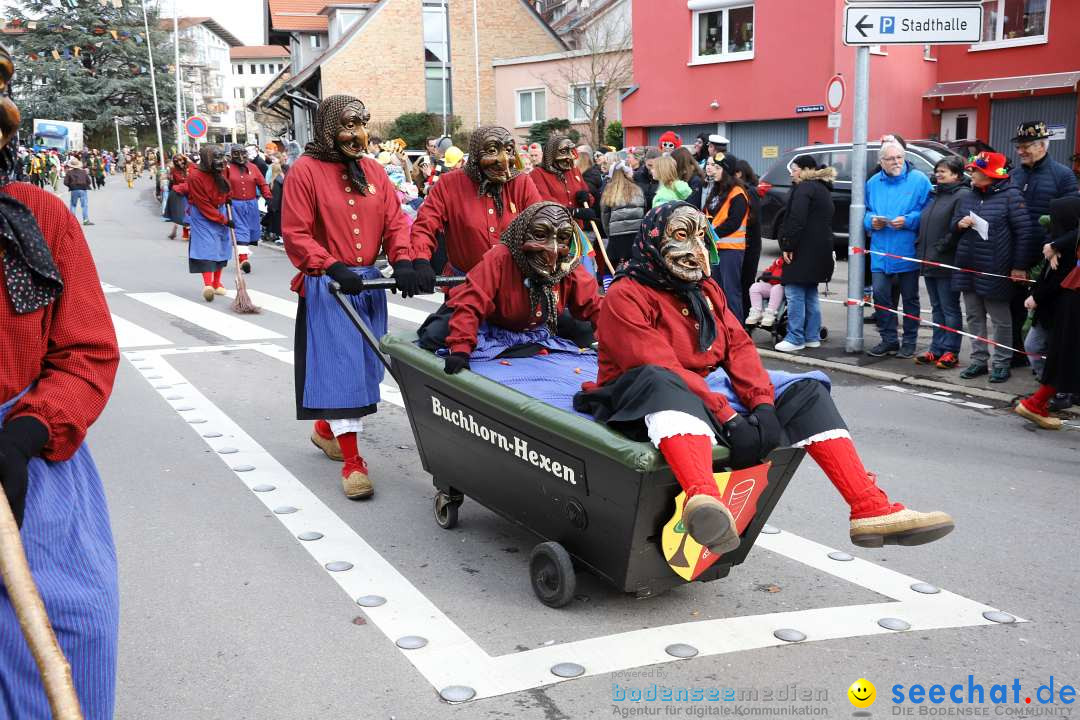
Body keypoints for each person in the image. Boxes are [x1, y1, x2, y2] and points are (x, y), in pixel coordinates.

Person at [573, 202, 954, 552]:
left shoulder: (704, 288)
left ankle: (870, 506)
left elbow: (737, 346)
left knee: (806, 389)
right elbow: (656, 363)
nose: (695, 249)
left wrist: (763, 404)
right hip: (641, 393)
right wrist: (728, 416)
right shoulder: (627, 294)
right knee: (662, 380)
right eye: (680, 236)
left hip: (701, 386)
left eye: (700, 236)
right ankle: (702, 500)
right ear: (655, 240)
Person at [0, 45, 120, 719]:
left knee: (78, 621)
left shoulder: (42, 219)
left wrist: (28, 430)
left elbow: (88, 350)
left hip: (31, 457)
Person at [283, 95, 415, 500]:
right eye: (348, 125)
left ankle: (325, 430)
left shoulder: (374, 170)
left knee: (367, 370)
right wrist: (329, 264)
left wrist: (406, 260)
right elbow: (295, 231)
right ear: (327, 129)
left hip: (369, 284)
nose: (358, 134)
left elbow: (396, 222)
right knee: (342, 372)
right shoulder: (304, 171)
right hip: (330, 285)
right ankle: (355, 463)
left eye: (362, 124)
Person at [412, 126, 543, 345]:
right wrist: (419, 260)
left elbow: (541, 225)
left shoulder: (521, 183)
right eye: (492, 151)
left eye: (509, 151)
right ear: (475, 155)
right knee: (437, 337)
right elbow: (425, 226)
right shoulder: (449, 184)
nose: (503, 160)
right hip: (465, 289)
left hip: (513, 291)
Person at [440, 202, 603, 372]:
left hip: (539, 328)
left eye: (562, 238)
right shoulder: (500, 258)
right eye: (540, 235)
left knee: (582, 330)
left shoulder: (567, 265)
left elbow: (595, 304)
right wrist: (460, 349)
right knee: (441, 331)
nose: (553, 249)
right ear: (523, 234)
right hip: (493, 327)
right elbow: (471, 302)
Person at [950, 151, 1036, 383]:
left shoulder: (1011, 196)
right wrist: (959, 224)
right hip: (968, 265)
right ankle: (979, 360)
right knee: (974, 316)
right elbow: (953, 225)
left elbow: (1024, 233)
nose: (971, 174)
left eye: (975, 171)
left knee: (1000, 319)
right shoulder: (968, 195)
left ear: (989, 175)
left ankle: (1001, 363)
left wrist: (1018, 266)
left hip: (995, 267)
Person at [1008, 121, 1079, 377]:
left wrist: (1057, 246)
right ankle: (1017, 355)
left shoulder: (1062, 175)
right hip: (1016, 252)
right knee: (1014, 307)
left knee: (1044, 312)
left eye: (1025, 146)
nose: (1020, 151)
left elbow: (1073, 219)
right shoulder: (1015, 174)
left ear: (1041, 145)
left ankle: (1047, 363)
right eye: (1019, 147)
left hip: (1048, 256)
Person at [1015, 195, 1080, 429]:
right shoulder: (1064, 245)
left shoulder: (1062, 244)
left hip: (1068, 303)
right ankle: (1036, 403)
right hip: (1070, 303)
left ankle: (1037, 403)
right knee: (1064, 355)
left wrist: (1056, 245)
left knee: (1064, 355)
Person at [863, 141, 931, 358]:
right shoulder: (873, 183)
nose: (896, 162)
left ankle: (909, 342)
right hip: (880, 251)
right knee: (881, 297)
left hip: (907, 250)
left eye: (899, 157)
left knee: (910, 299)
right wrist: (870, 221)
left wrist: (909, 220)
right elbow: (866, 210)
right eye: (891, 159)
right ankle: (889, 340)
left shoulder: (920, 180)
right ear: (881, 162)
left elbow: (929, 211)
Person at [913, 156, 970, 369]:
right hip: (929, 259)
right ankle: (936, 348)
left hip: (946, 259)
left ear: (956, 174)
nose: (938, 174)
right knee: (937, 307)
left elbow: (956, 229)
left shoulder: (962, 195)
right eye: (938, 170)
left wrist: (939, 248)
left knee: (949, 307)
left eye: (943, 171)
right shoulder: (937, 194)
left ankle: (950, 351)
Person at [776, 155, 835, 352]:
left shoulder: (804, 188)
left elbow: (796, 219)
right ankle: (812, 336)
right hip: (819, 250)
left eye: (794, 169)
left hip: (802, 249)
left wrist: (787, 245)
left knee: (794, 293)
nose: (792, 173)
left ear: (805, 169)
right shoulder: (822, 188)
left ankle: (795, 338)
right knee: (810, 293)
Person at [174, 146, 233, 302]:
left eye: (221, 157)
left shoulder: (223, 169)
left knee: (222, 244)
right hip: (201, 214)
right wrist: (223, 220)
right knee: (206, 246)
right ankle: (207, 284)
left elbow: (226, 186)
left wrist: (228, 197)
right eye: (216, 158)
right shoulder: (195, 176)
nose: (220, 162)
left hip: (220, 208)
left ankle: (216, 282)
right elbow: (203, 205)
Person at [702, 152, 750, 321]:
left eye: (717, 167)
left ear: (727, 171)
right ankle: (722, 329)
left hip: (731, 250)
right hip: (715, 249)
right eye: (712, 166)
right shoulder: (715, 191)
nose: (712, 170)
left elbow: (733, 222)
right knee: (716, 292)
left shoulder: (737, 193)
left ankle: (737, 330)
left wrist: (711, 235)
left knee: (731, 292)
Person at [530, 134, 596, 227]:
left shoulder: (574, 171)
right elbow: (544, 201)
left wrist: (587, 198)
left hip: (576, 229)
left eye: (571, 151)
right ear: (552, 154)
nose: (570, 156)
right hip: (553, 231)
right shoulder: (538, 173)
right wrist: (572, 211)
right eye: (564, 151)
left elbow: (587, 194)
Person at [225, 143, 272, 274]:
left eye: (243, 153)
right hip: (235, 204)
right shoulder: (227, 168)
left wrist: (268, 196)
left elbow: (262, 183)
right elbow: (221, 184)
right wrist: (224, 197)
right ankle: (243, 259)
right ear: (232, 155)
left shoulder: (253, 167)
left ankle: (242, 256)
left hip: (252, 204)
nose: (240, 157)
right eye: (236, 154)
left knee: (251, 230)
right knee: (240, 231)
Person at [599, 160, 645, 268]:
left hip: (616, 233)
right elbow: (643, 209)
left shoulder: (609, 190)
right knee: (633, 264)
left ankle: (609, 284)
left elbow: (605, 215)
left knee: (610, 265)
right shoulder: (638, 189)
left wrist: (609, 233)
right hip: (635, 232)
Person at [734, 159, 763, 326]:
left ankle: (745, 318)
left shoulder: (749, 191)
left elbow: (753, 217)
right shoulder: (743, 190)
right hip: (744, 243)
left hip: (749, 244)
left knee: (745, 283)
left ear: (739, 174)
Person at [745, 255, 784, 328]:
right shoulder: (778, 260)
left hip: (783, 287)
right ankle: (756, 311)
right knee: (755, 287)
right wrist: (766, 274)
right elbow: (770, 269)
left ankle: (770, 313)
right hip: (772, 284)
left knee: (776, 289)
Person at [164, 153, 189, 240]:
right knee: (183, 212)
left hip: (191, 193)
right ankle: (184, 234)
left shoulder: (190, 168)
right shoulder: (173, 170)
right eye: (176, 161)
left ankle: (179, 231)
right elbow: (172, 183)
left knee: (190, 213)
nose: (179, 162)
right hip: (179, 193)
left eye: (180, 160)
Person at [63, 155, 93, 225]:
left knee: (73, 205)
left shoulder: (69, 172)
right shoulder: (83, 172)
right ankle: (85, 220)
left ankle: (72, 221)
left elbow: (65, 182)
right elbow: (89, 181)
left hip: (74, 189)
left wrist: (71, 186)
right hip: (83, 189)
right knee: (84, 205)